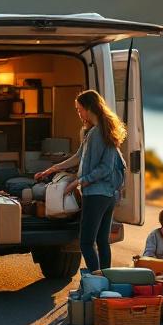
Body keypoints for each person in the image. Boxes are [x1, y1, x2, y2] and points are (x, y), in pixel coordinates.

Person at [35, 89, 126, 272]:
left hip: (96, 194)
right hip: (108, 196)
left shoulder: (96, 133)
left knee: (86, 242)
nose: (78, 113)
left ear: (89, 108)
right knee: (102, 241)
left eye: (79, 109)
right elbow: (78, 157)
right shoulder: (103, 130)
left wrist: (79, 182)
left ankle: (96, 279)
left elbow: (104, 168)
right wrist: (53, 169)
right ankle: (104, 282)